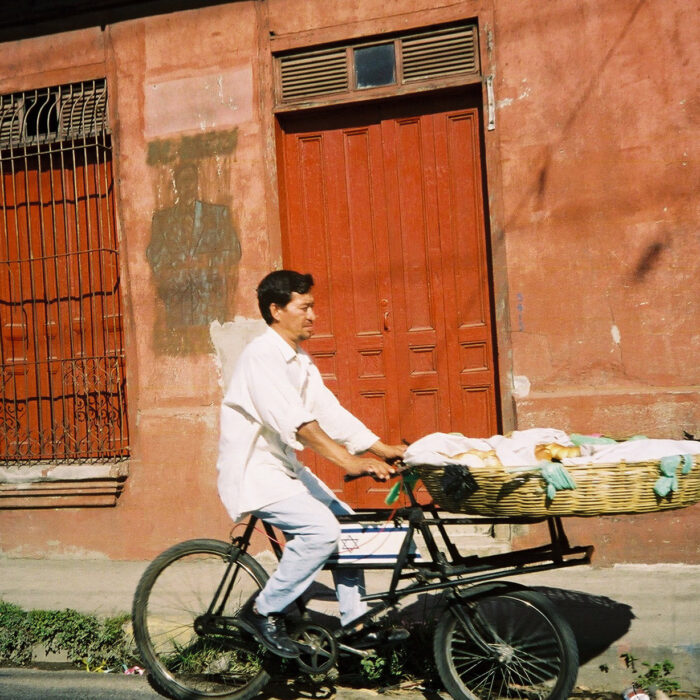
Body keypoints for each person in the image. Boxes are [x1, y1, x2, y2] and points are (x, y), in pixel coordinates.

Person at [216, 270, 406, 658]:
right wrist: (352, 461)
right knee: (322, 531)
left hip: (284, 469)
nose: (313, 315)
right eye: (304, 307)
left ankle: (356, 626)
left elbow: (328, 413)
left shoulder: (299, 360)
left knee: (349, 528)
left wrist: (380, 448)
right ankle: (261, 611)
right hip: (255, 473)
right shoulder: (261, 357)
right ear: (276, 310)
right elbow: (300, 425)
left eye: (312, 307)